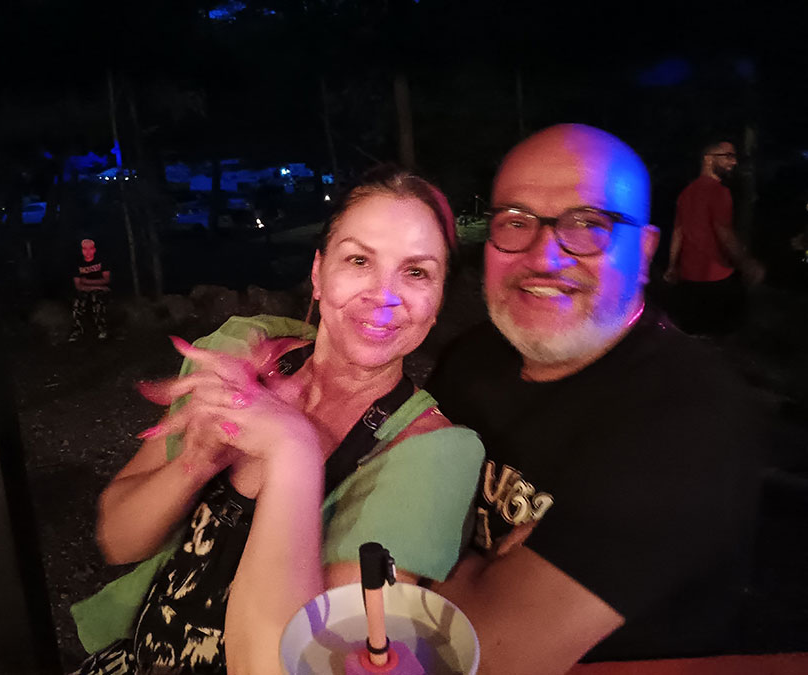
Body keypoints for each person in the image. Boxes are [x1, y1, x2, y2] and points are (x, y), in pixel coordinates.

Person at [71, 167, 484, 674]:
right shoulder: (243, 352)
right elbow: (117, 539)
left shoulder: (432, 454)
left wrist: (293, 448)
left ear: (438, 300)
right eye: (359, 260)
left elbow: (292, 665)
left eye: (416, 272)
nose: (384, 294)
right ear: (318, 273)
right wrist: (197, 462)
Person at [426, 125, 762, 673]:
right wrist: (476, 574)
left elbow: (483, 653)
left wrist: (403, 545)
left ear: (645, 251)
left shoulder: (689, 419)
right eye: (516, 221)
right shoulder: (472, 358)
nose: (544, 258)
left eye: (588, 225)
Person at [664, 138, 764, 335]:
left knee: (693, 333)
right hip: (716, 278)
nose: (734, 162)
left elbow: (678, 232)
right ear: (708, 159)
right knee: (720, 334)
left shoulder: (686, 193)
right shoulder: (719, 192)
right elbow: (724, 233)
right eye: (728, 156)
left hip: (688, 279)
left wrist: (672, 266)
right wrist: (747, 264)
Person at [70, 238, 111, 341]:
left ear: (94, 249)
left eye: (90, 248)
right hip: (87, 290)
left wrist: (87, 282)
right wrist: (96, 286)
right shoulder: (77, 264)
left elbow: (106, 280)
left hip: (98, 291)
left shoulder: (102, 261)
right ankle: (78, 330)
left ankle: (102, 329)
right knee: (77, 303)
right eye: (85, 249)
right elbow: (78, 285)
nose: (87, 252)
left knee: (97, 299)